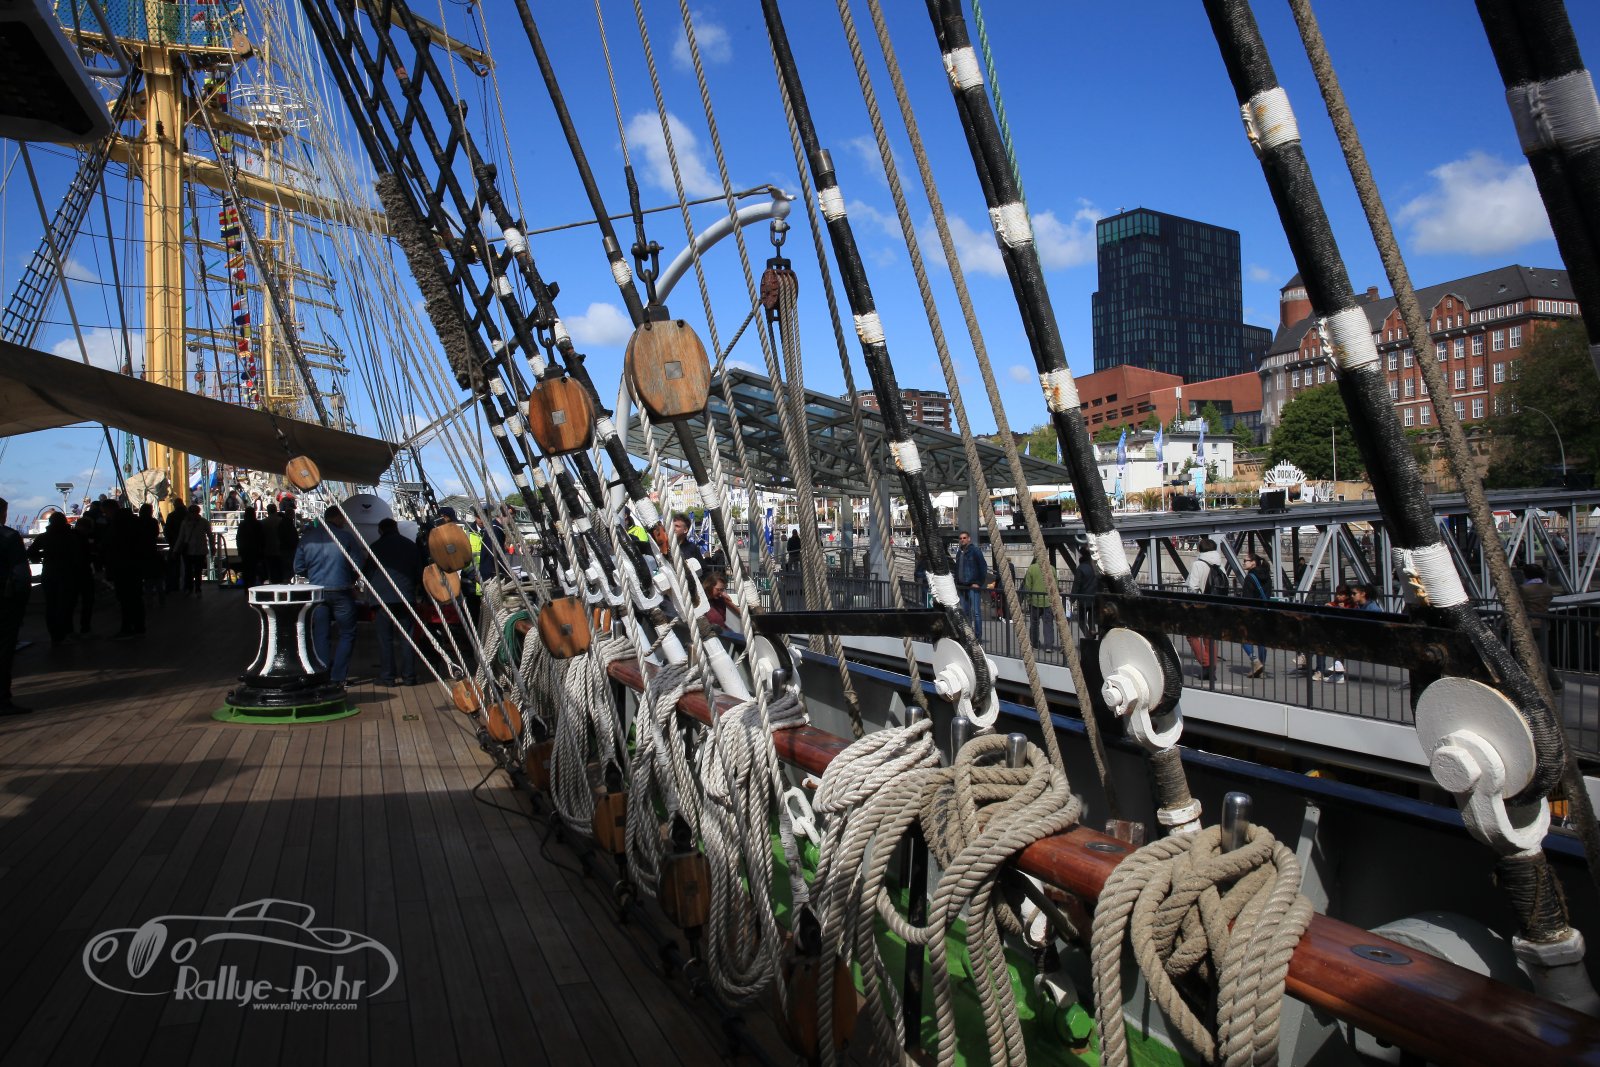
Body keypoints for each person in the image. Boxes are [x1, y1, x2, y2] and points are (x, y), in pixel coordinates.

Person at [293, 509, 363, 684]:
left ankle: (322, 673)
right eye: (343, 518)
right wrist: (350, 579)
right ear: (337, 518)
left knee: (320, 633)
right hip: (341, 589)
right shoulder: (345, 537)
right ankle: (338, 676)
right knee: (347, 632)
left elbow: (298, 567)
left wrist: (312, 576)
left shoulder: (307, 537)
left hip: (318, 591)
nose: (344, 522)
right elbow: (359, 564)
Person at [365, 517, 422, 686]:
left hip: (382, 598)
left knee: (385, 639)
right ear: (396, 528)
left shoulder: (375, 547)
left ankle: (387, 677)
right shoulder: (410, 545)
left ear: (380, 530)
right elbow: (419, 571)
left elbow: (367, 572)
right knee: (407, 638)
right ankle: (409, 676)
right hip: (405, 596)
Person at [28, 512, 83, 646]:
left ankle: (55, 635)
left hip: (50, 573)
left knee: (51, 604)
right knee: (67, 604)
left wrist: (42, 556)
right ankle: (67, 631)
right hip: (69, 574)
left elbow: (31, 552)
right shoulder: (72, 537)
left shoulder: (44, 537)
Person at [0, 498, 31, 713]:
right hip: (4, 603)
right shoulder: (9, 537)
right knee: (3, 651)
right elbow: (21, 575)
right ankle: (2, 701)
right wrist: (20, 604)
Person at [1517, 563, 1564, 693]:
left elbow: (1518, 604)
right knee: (1542, 655)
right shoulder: (1548, 588)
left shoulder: (1524, 589)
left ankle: (1553, 683)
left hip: (1529, 625)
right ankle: (1553, 684)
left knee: (1526, 654)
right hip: (1543, 624)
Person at [1185, 537, 1224, 681]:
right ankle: (1211, 667)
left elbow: (1193, 587)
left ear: (1200, 549)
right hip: (1215, 605)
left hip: (1200, 605)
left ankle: (1206, 664)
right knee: (1210, 637)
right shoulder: (1220, 564)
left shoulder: (1198, 564)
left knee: (1192, 635)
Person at [107, 506, 146, 640]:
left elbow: (112, 549)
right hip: (136, 568)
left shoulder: (117, 530)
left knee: (125, 600)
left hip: (122, 569)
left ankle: (127, 628)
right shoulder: (137, 527)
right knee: (136, 598)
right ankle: (139, 627)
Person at [1240, 554, 1273, 678]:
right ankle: (1261, 668)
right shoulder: (1268, 576)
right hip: (1264, 611)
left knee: (1243, 638)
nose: (1244, 563)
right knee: (1261, 641)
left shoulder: (1250, 577)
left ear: (1253, 562)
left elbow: (1247, 598)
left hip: (1252, 613)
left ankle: (1255, 661)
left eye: (1246, 560)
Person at [953, 530, 987, 639]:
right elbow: (957, 568)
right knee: (965, 612)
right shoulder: (959, 553)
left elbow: (983, 567)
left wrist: (978, 583)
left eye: (964, 538)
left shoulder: (975, 551)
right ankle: (969, 636)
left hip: (973, 586)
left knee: (976, 612)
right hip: (962, 586)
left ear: (969, 539)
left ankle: (978, 637)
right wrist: (956, 582)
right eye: (960, 538)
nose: (962, 540)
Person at [1022, 558, 1056, 651]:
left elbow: (1028, 585)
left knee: (1034, 623)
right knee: (1048, 624)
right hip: (1048, 601)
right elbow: (1055, 585)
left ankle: (1035, 643)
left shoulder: (1031, 568)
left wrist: (1028, 599)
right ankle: (1048, 645)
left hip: (1035, 600)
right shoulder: (1051, 568)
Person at [1071, 535, 1101, 640]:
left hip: (1083, 599)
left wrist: (1072, 598)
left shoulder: (1081, 568)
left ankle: (1088, 636)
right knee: (1091, 620)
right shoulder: (1095, 567)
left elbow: (1077, 584)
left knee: (1081, 620)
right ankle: (1092, 633)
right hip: (1094, 598)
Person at [178, 503, 210, 596]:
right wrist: (212, 546)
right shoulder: (203, 522)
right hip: (195, 550)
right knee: (194, 570)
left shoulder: (186, 523)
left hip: (193, 550)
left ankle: (193, 588)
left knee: (193, 570)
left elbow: (181, 537)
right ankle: (195, 589)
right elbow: (210, 535)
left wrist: (176, 549)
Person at [135, 503, 163, 604]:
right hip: (152, 549)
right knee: (156, 576)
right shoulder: (153, 521)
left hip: (140, 551)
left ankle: (148, 598)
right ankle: (160, 597)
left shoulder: (137, 522)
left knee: (145, 576)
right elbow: (156, 533)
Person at [236, 508, 265, 589]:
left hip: (245, 550)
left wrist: (239, 549)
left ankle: (246, 587)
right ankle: (252, 586)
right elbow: (262, 538)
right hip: (255, 550)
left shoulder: (242, 524)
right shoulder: (258, 524)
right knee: (254, 569)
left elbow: (238, 538)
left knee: (245, 569)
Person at [262, 503, 285, 583]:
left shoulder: (263, 522)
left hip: (268, 549)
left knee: (271, 571)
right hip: (280, 549)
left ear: (268, 511)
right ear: (276, 510)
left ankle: (272, 584)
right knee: (280, 571)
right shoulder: (281, 521)